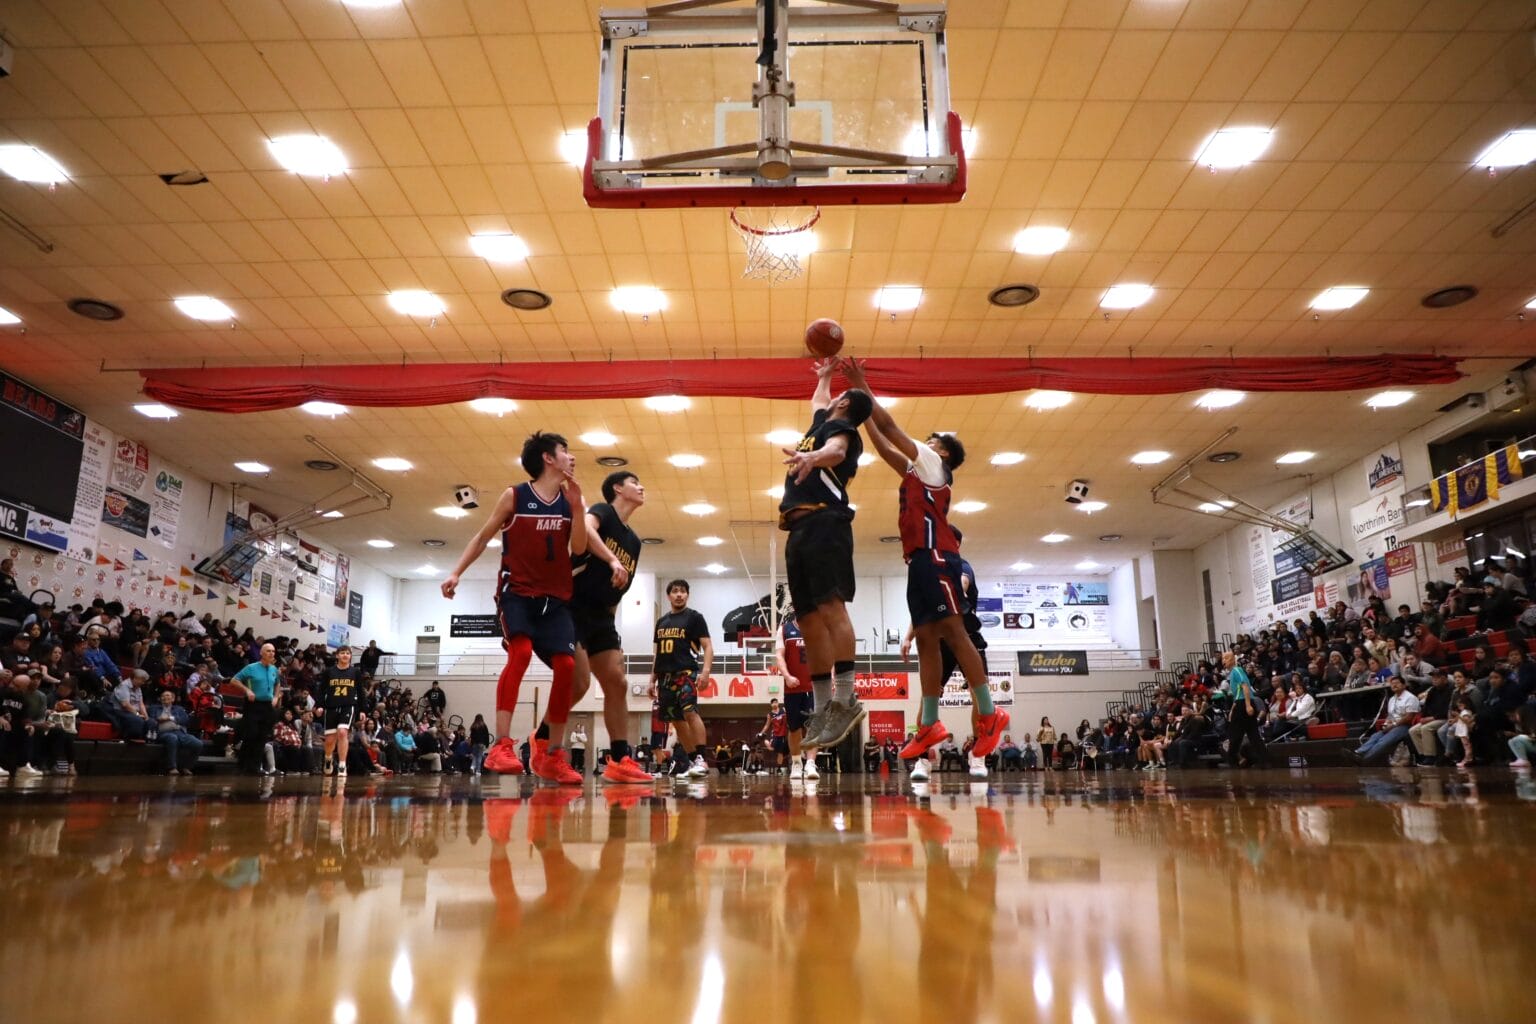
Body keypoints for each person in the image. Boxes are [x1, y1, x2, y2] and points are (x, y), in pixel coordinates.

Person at [837, 359, 1009, 770]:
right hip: (917, 562)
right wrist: (861, 415)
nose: (926, 440)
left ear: (943, 450)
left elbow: (893, 428)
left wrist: (860, 385)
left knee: (951, 629)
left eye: (933, 438)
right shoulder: (916, 471)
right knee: (927, 642)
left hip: (937, 557)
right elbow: (883, 445)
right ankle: (929, 724)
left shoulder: (935, 465)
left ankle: (989, 712)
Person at [440, 431, 590, 784]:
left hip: (556, 600)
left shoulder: (569, 501)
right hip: (518, 593)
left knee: (567, 667)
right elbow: (481, 537)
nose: (572, 457)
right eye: (565, 451)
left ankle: (552, 754)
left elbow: (580, 547)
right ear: (548, 458)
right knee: (520, 653)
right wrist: (456, 572)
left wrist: (580, 506)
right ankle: (502, 745)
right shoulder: (515, 495)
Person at [778, 357, 873, 752]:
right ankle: (821, 708)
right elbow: (819, 399)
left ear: (846, 404)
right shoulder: (821, 420)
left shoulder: (841, 428)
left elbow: (835, 450)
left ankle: (846, 697)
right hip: (799, 530)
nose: (830, 398)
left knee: (832, 611)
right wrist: (825, 376)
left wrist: (813, 458)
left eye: (837, 395)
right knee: (808, 622)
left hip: (825, 526)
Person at [562, 470, 648, 784]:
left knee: (617, 682)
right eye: (634, 482)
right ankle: (542, 736)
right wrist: (612, 560)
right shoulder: (603, 511)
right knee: (580, 684)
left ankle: (620, 759)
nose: (641, 488)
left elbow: (617, 590)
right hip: (571, 605)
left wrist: (611, 632)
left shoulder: (635, 542)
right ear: (617, 488)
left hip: (602, 616)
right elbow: (584, 527)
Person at [650, 579, 712, 780]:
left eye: (683, 591)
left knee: (690, 713)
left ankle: (702, 758)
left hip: (685, 674)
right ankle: (694, 761)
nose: (679, 594)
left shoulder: (695, 618)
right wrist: (652, 680)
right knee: (676, 721)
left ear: (687, 595)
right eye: (675, 591)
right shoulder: (661, 622)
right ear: (669, 595)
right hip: (664, 678)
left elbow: (708, 647)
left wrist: (706, 672)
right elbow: (657, 654)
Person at [773, 605, 820, 780]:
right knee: (794, 728)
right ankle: (796, 763)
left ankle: (810, 764)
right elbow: (779, 655)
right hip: (792, 687)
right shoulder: (784, 630)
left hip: (813, 686)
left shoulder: (817, 628)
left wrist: (828, 677)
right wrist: (787, 676)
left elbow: (826, 654)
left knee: (813, 727)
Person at [232, 642, 282, 775]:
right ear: (261, 653)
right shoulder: (251, 667)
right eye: (268, 651)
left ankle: (255, 767)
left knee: (262, 737)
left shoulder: (274, 669)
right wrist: (247, 690)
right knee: (251, 734)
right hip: (253, 705)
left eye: (273, 651)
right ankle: (243, 764)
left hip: (267, 706)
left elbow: (278, 684)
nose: (271, 653)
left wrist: (276, 697)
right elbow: (234, 680)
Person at [1353, 675, 1420, 765]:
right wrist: (1386, 724)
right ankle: (1358, 752)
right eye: (1392, 684)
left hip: (1405, 726)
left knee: (1384, 740)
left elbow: (1409, 717)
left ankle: (1364, 759)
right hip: (1393, 725)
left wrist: (1394, 725)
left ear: (1404, 685)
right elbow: (1390, 715)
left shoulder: (1410, 698)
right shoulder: (1392, 699)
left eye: (1397, 683)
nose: (1394, 685)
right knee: (1375, 736)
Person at [318, 645, 361, 778]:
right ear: (337, 655)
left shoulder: (355, 672)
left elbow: (361, 692)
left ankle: (342, 764)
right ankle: (328, 758)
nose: (345, 655)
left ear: (350, 656)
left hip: (348, 706)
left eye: (347, 653)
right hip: (331, 706)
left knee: (342, 733)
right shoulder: (329, 672)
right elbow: (321, 690)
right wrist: (319, 705)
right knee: (330, 740)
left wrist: (362, 710)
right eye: (342, 653)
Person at [1224, 651, 1265, 768]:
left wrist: (1248, 705)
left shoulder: (1237, 670)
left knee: (1235, 736)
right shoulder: (1233, 673)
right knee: (1253, 735)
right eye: (1223, 659)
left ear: (1233, 659)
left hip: (1243, 704)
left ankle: (1233, 763)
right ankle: (1264, 761)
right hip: (1240, 703)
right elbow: (1238, 693)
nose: (1223, 661)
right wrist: (1232, 709)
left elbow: (1245, 687)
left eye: (1226, 658)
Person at [150, 689, 203, 775]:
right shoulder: (154, 708)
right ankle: (172, 767)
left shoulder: (179, 709)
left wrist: (170, 718)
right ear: (160, 699)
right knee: (172, 738)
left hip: (179, 732)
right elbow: (151, 720)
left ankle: (187, 767)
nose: (165, 697)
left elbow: (185, 720)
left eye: (168, 695)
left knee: (198, 744)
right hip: (163, 733)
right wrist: (158, 720)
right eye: (163, 696)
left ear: (173, 699)